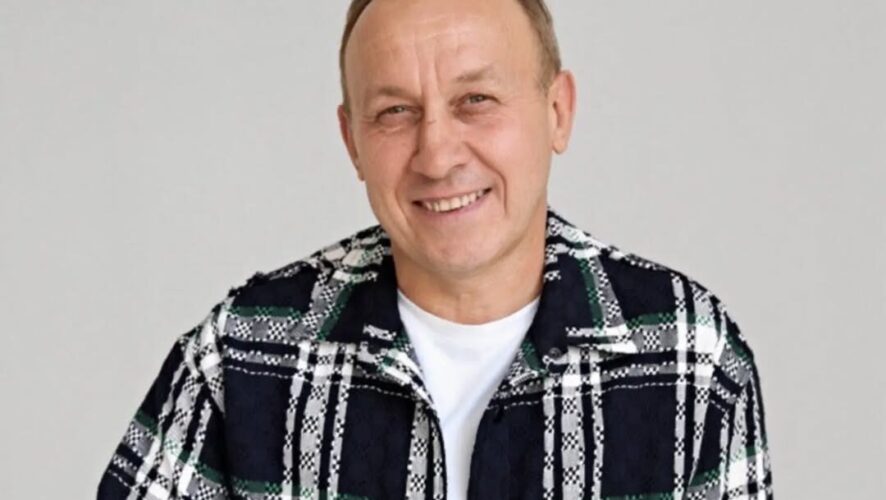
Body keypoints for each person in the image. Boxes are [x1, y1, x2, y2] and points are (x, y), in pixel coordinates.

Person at [97, 0, 774, 498]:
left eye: (476, 99)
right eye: (395, 111)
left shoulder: (691, 357)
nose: (438, 155)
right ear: (352, 142)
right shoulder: (240, 355)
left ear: (557, 111)